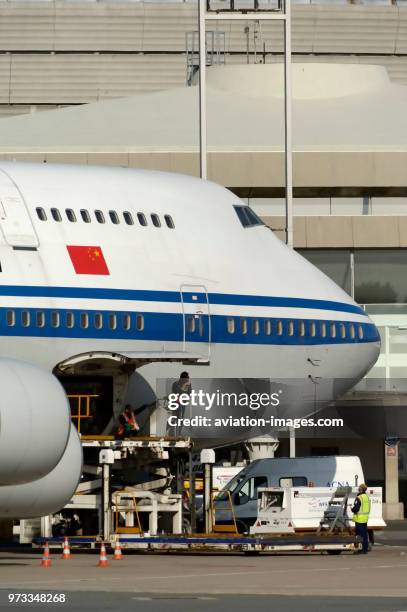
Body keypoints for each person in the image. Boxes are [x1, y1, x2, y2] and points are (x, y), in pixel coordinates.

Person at [351, 483, 371, 554]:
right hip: (365, 519)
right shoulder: (366, 497)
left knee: (359, 535)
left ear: (361, 489)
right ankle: (365, 549)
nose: (358, 489)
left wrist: (352, 509)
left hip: (359, 519)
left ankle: (360, 549)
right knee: (365, 535)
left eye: (359, 488)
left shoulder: (359, 497)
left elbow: (356, 508)